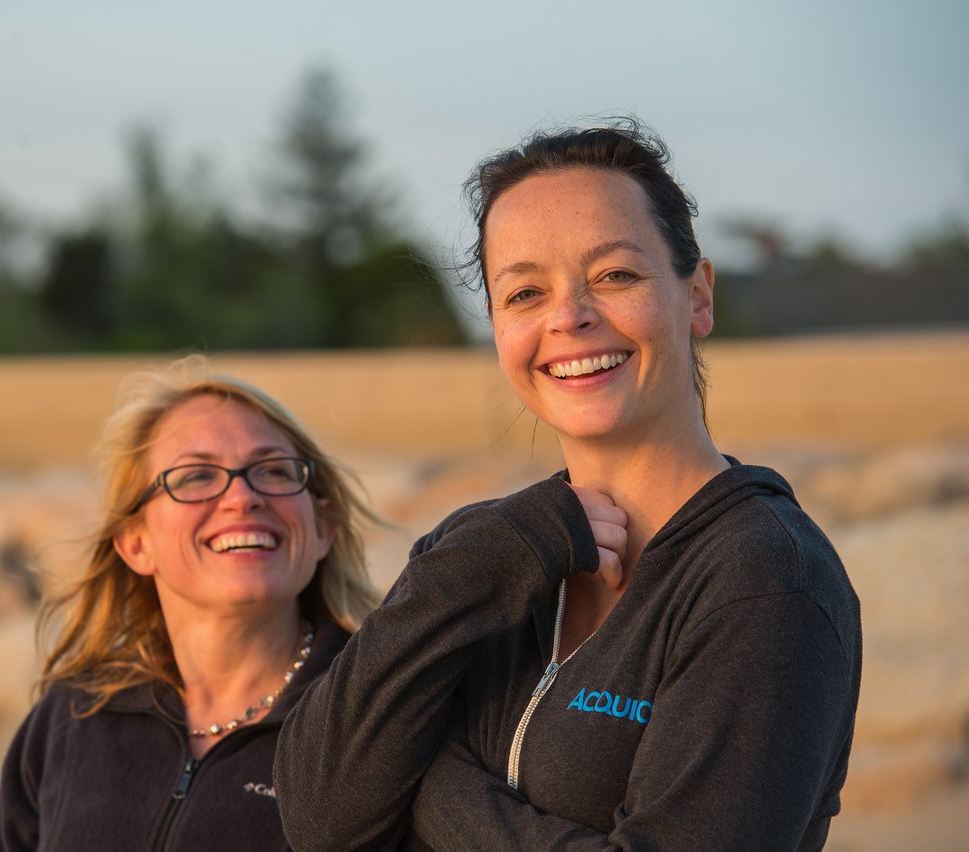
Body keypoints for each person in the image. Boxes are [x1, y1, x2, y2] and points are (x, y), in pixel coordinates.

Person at [274, 119, 862, 850]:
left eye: (615, 275)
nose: (569, 318)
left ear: (698, 296)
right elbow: (319, 818)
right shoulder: (479, 550)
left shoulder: (766, 578)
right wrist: (482, 560)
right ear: (495, 328)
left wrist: (427, 785)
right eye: (524, 293)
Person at [0, 355, 383, 851]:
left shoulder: (375, 715)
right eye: (196, 476)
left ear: (322, 528)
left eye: (273, 470)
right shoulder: (71, 716)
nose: (242, 497)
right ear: (136, 543)